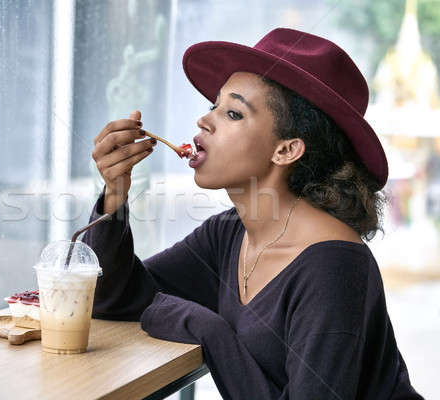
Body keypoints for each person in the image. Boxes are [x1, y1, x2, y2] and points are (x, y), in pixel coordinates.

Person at [83, 28, 423, 399]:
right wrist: (115, 192)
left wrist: (208, 331)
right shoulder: (229, 234)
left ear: (286, 150)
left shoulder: (334, 267)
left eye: (233, 113)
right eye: (214, 105)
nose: (204, 120)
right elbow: (114, 297)